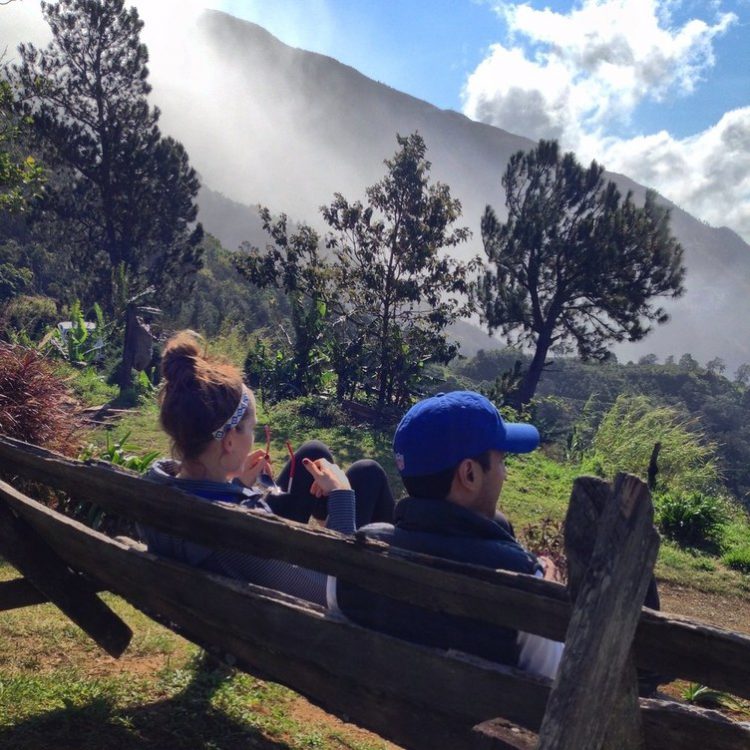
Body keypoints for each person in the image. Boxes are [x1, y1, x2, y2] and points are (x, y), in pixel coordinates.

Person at [141, 330, 394, 607]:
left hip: (220, 610)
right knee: (367, 474)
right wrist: (342, 497)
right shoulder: (239, 534)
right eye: (252, 428)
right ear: (228, 441)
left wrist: (237, 489)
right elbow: (335, 592)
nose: (254, 437)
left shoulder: (153, 488)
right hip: (301, 629)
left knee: (330, 459)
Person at [336, 390, 564, 679]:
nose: (504, 474)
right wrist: (550, 597)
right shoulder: (526, 590)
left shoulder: (356, 554)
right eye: (502, 461)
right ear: (469, 474)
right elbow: (553, 690)